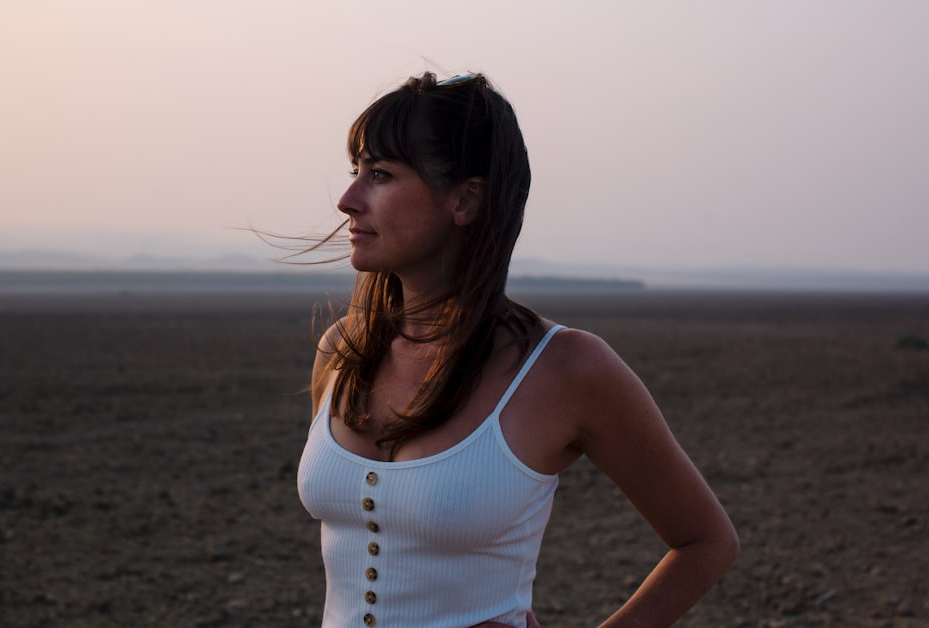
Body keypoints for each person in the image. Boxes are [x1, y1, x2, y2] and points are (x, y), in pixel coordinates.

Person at [295, 72, 738, 628]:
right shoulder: (343, 351)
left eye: (380, 175)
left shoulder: (566, 368)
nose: (348, 200)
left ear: (465, 200)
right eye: (355, 172)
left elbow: (705, 541)